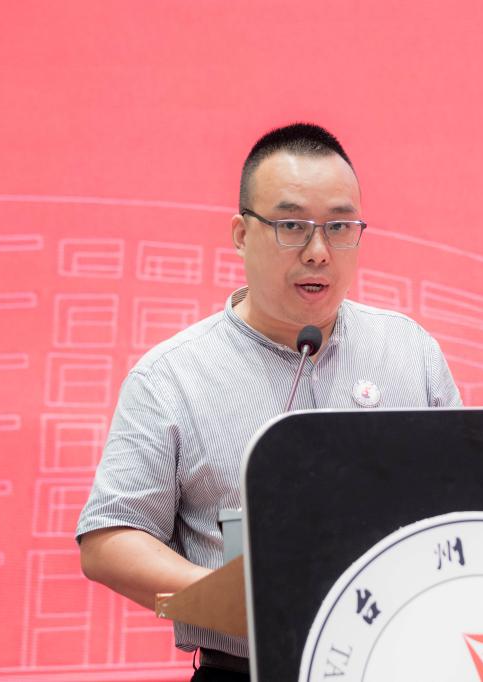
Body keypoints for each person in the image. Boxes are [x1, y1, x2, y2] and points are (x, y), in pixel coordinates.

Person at [76, 123, 461, 681]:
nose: (318, 252)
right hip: (248, 668)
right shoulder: (172, 377)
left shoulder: (408, 351)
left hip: (399, 661)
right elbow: (110, 538)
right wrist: (242, 600)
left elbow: (465, 498)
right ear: (241, 234)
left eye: (339, 227)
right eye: (291, 227)